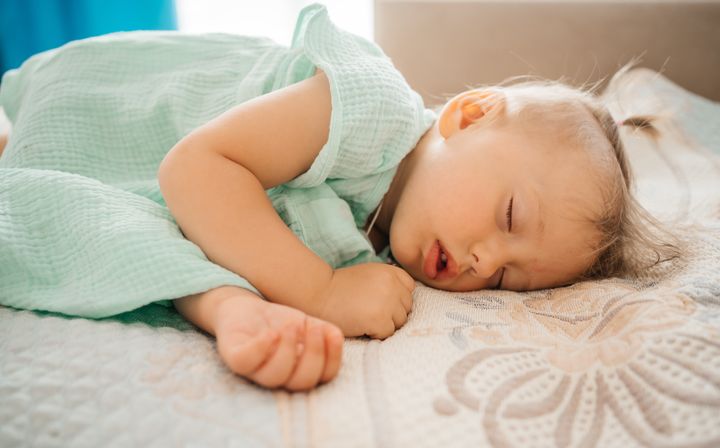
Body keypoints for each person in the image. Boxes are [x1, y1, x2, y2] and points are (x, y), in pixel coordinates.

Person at [0, 4, 678, 392]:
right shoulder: (369, 111)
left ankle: (225, 310)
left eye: (508, 276)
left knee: (112, 234)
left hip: (142, 183)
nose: (479, 259)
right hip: (109, 112)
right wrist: (320, 291)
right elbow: (196, 170)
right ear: (468, 116)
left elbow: (212, 227)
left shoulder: (376, 234)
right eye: (508, 218)